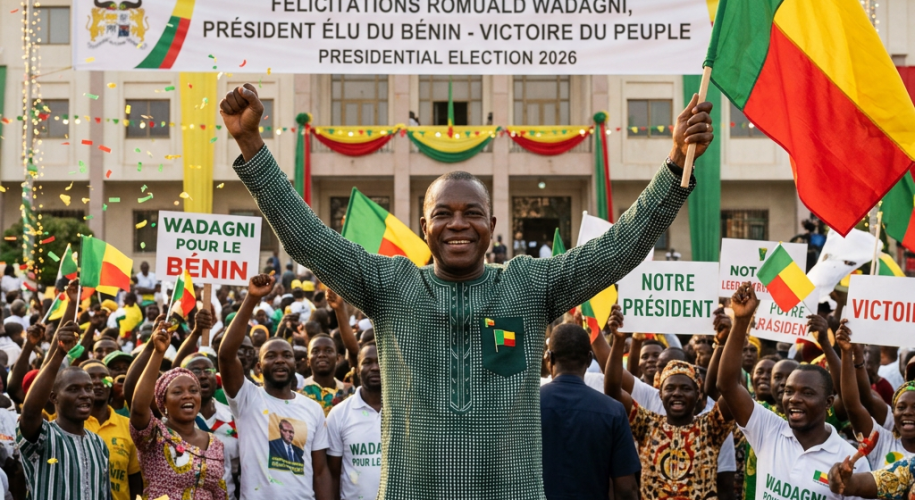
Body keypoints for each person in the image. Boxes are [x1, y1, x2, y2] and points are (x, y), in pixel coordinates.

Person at [221, 82, 713, 498]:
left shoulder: (526, 284)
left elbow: (619, 248)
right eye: (444, 214)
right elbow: (307, 238)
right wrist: (251, 144)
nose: (458, 224)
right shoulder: (392, 285)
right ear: (425, 227)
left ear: (491, 226)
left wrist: (675, 163)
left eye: (472, 213)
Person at [717, 282, 870, 500]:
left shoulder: (850, 461)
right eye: (789, 391)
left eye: (807, 393)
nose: (794, 399)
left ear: (828, 402)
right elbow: (728, 385)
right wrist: (741, 320)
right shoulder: (769, 430)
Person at [218, 274, 332, 500]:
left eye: (286, 355)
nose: (280, 360)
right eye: (271, 356)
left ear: (295, 364)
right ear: (258, 367)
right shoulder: (247, 398)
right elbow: (226, 355)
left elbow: (320, 472)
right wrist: (251, 298)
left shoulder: (312, 409)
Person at [605, 308, 734, 500]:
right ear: (660, 394)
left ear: (698, 394)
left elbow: (730, 388)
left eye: (685, 388)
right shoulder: (647, 425)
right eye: (670, 388)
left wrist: (727, 340)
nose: (677, 393)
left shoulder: (710, 427)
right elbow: (613, 392)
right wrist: (619, 340)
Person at [130, 317, 228, 499]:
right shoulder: (154, 435)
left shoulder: (215, 443)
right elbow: (138, 409)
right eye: (177, 392)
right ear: (164, 402)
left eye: (193, 390)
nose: (187, 395)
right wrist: (158, 353)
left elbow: (219, 492)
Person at [541, 323, 639, 500]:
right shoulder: (613, 411)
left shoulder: (525, 407)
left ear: (549, 358)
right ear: (588, 359)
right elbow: (626, 489)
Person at [17, 322, 112, 499]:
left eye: (88, 388)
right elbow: (29, 413)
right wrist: (60, 352)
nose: (85, 395)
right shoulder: (43, 436)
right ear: (54, 398)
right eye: (73, 389)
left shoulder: (99, 444)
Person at [836, 323, 915, 469]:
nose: (908, 412)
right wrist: (849, 354)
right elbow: (853, 406)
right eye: (901, 407)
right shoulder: (881, 441)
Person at [327, 343, 382, 500]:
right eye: (367, 362)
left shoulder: (406, 412)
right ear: (357, 370)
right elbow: (333, 475)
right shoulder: (339, 414)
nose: (375, 368)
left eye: (380, 361)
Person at [81, 359, 142, 500]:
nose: (97, 382)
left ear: (112, 385)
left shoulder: (128, 426)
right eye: (90, 377)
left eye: (104, 377)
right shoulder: (69, 425)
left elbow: (135, 481)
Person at [183, 353, 240, 498]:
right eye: (196, 371)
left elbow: (238, 469)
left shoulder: (233, 418)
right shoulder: (174, 422)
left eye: (208, 371)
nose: (203, 376)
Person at [300, 334, 355, 415]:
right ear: (308, 360)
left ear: (338, 358)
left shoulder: (349, 391)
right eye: (315, 351)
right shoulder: (299, 390)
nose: (321, 355)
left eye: (328, 351)